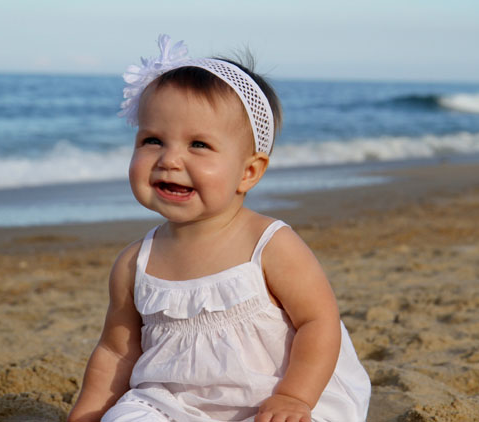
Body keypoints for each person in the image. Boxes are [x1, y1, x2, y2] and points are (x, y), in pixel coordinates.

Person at [68, 35, 370, 422]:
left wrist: (295, 397)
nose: (169, 160)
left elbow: (319, 322)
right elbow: (116, 351)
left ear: (249, 172)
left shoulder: (269, 244)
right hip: (173, 405)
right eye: (152, 140)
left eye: (198, 144)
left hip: (271, 401)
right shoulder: (134, 264)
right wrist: (88, 414)